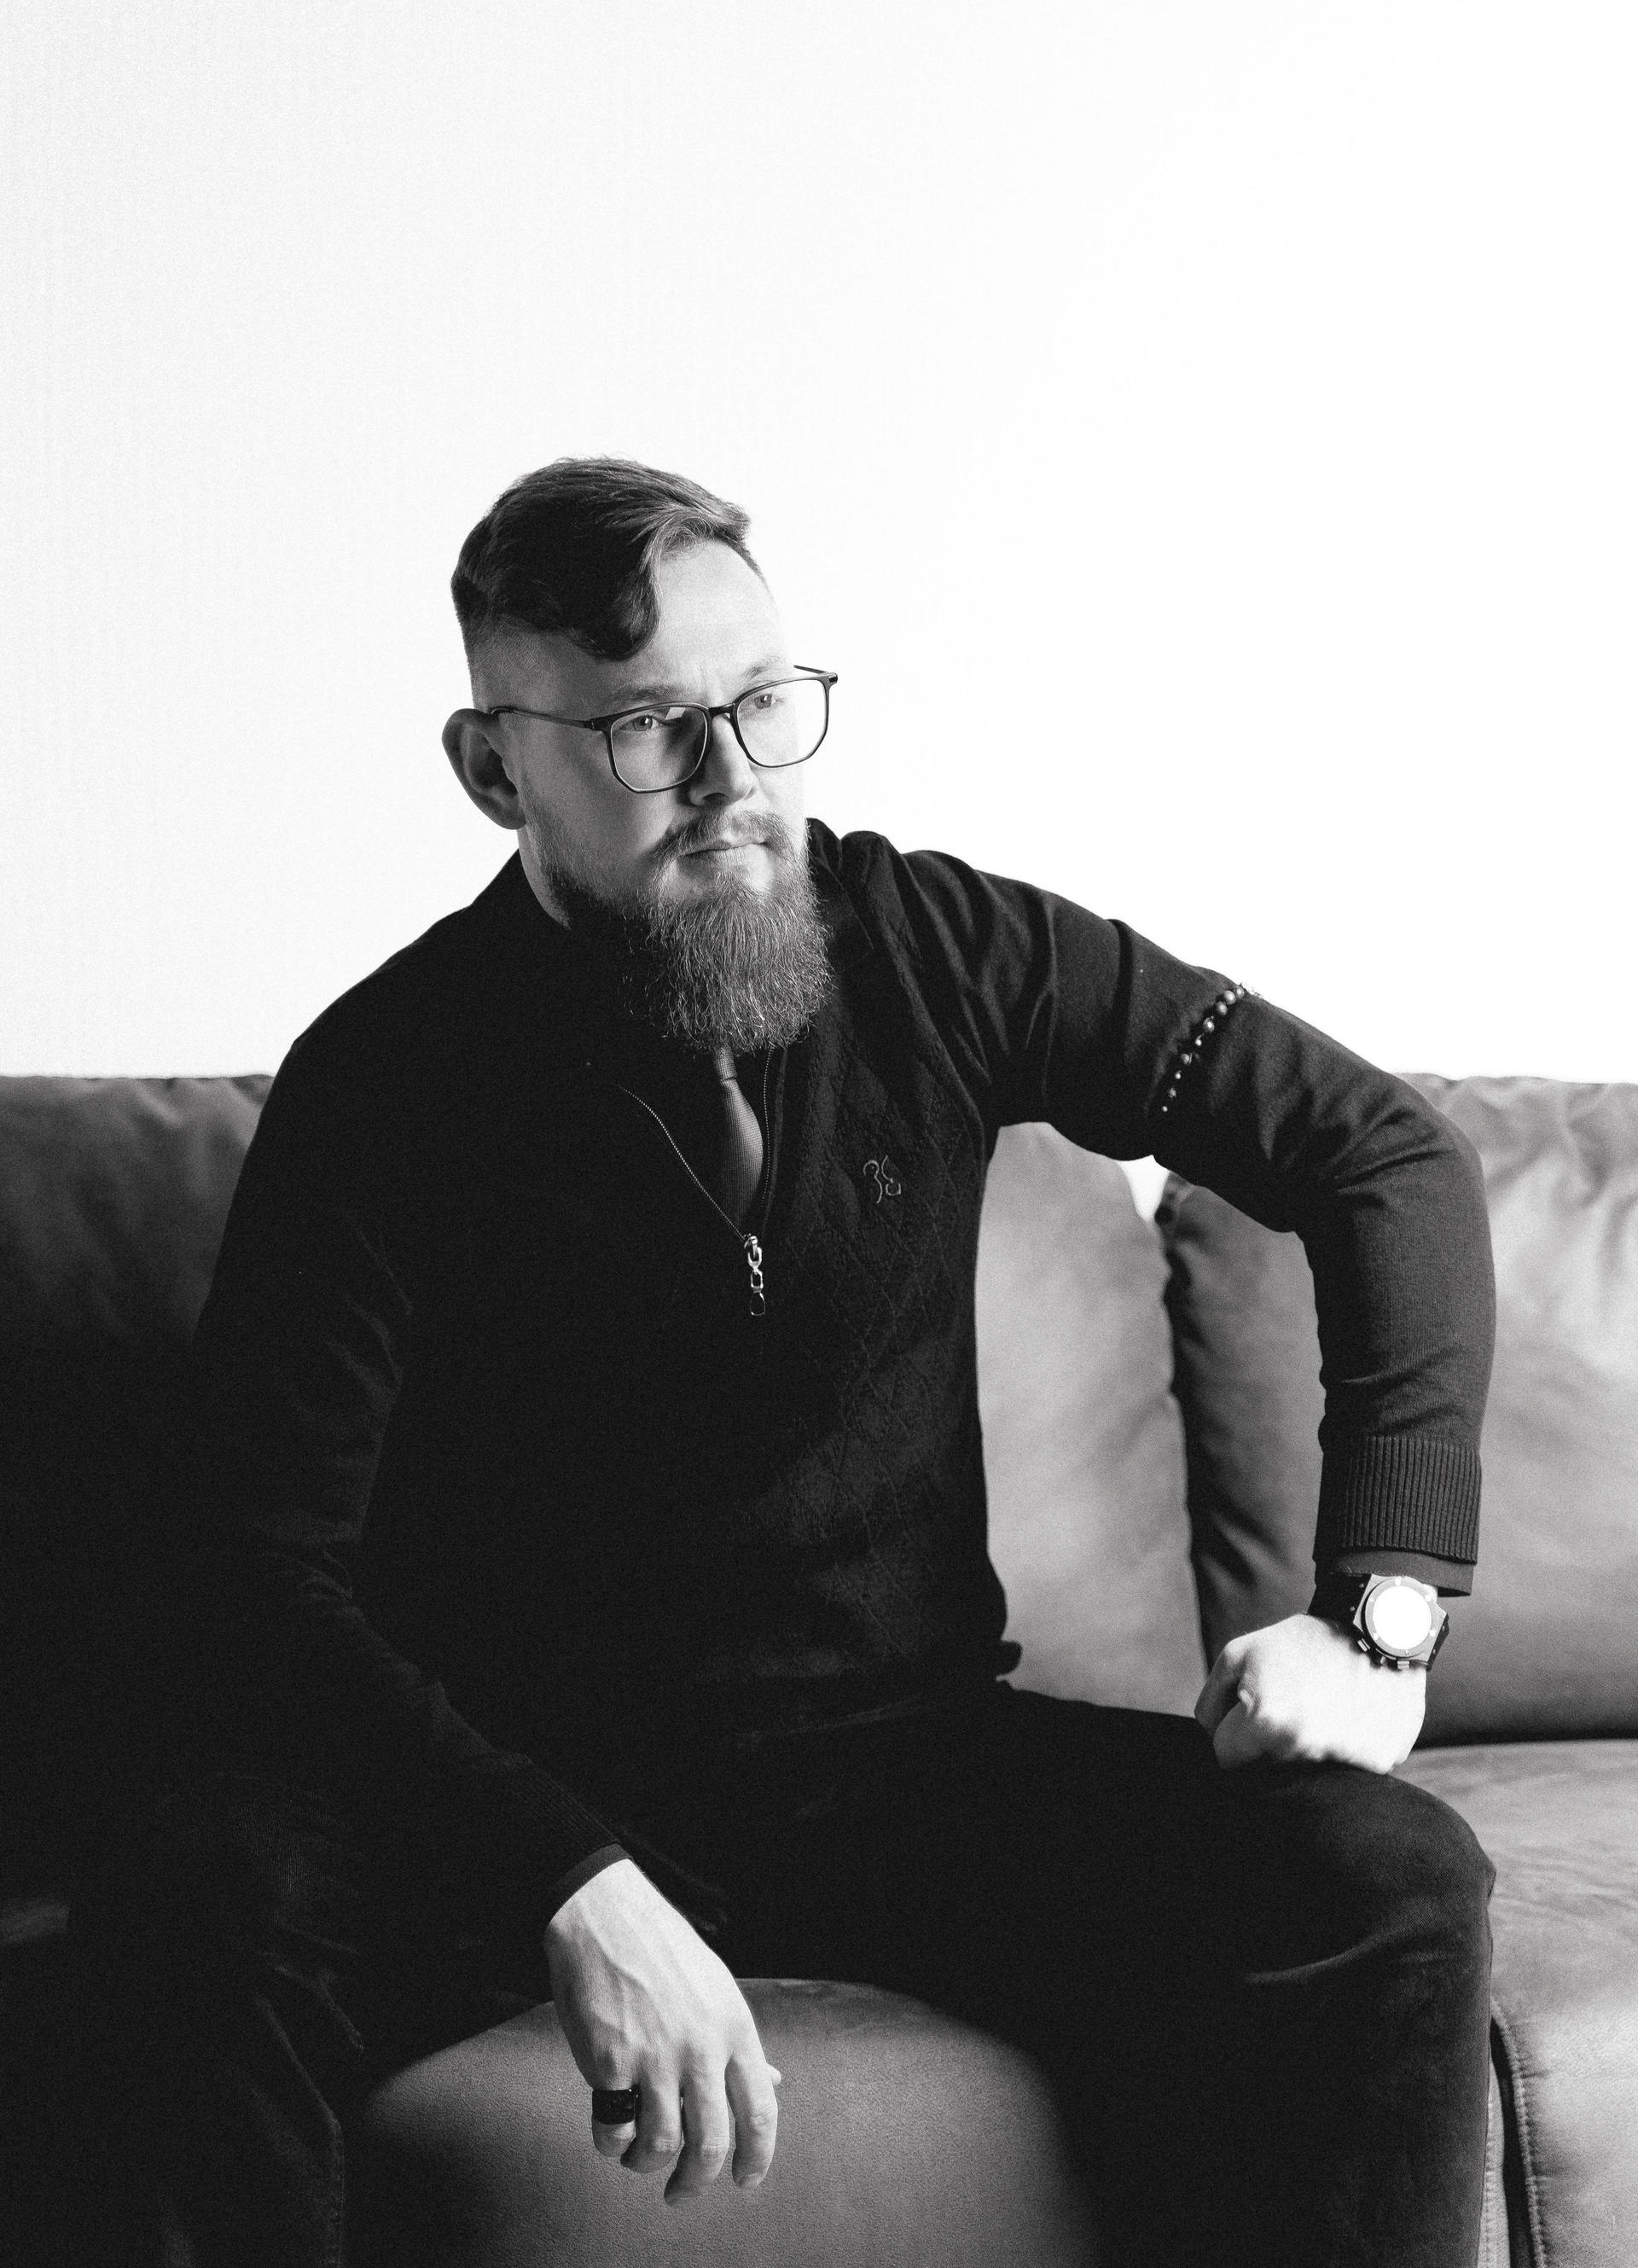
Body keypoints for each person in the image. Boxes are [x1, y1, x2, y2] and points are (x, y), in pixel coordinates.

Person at [76, 457, 1496, 2267]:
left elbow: (1384, 1155)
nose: (735, 777)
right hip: (528, 1793)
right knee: (191, 1907)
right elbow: (258, 1580)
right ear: (494, 769)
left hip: (910, 1779)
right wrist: (568, 1878)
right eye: (649, 728)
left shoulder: (946, 948)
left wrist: (1384, 1613)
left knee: (1389, 1882)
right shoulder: (383, 1085)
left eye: (763, 702)